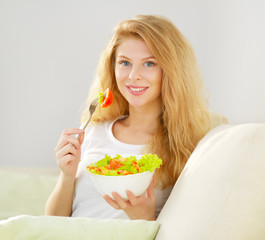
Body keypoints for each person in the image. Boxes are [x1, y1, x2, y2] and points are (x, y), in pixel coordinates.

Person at [45, 14, 210, 221]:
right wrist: (67, 175)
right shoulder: (92, 130)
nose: (133, 76)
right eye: (124, 63)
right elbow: (53, 221)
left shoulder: (186, 147)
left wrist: (144, 218)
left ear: (171, 71)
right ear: (112, 68)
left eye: (149, 64)